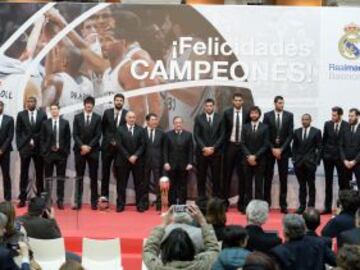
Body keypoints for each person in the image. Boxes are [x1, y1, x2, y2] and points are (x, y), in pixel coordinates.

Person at [143, 204, 220, 269]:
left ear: (167, 250)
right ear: (191, 248)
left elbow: (149, 249)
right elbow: (213, 249)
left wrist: (163, 224)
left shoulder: (159, 267)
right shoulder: (200, 266)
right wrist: (202, 221)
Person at [271, 214, 336, 270]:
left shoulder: (279, 252)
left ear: (285, 232)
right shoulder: (319, 243)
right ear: (304, 229)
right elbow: (336, 261)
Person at [263, 96, 294, 213]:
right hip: (270, 152)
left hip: (283, 152)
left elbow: (290, 135)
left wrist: (280, 149)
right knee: (268, 177)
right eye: (280, 103)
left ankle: (283, 205)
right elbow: (265, 134)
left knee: (283, 178)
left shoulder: (289, 115)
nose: (282, 105)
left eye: (283, 103)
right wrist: (272, 148)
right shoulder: (267, 115)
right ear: (275, 103)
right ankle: (266, 203)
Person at [16, 96, 47, 208]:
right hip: (25, 148)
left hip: (39, 149)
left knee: (39, 174)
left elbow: (45, 131)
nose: (30, 103)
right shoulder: (21, 115)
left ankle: (39, 199)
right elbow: (18, 132)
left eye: (32, 101)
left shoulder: (42, 114)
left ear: (36, 103)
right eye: (28, 101)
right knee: (24, 174)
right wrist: (20, 147)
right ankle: (22, 198)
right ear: (26, 103)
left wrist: (40, 143)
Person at [72, 96, 102, 210]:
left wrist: (89, 146)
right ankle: (77, 202)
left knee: (93, 177)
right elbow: (75, 134)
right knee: (79, 177)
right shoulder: (77, 117)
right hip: (79, 151)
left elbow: (98, 135)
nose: (89, 105)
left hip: (93, 151)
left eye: (91, 104)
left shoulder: (97, 118)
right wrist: (82, 146)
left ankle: (94, 202)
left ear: (93, 106)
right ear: (84, 105)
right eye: (87, 104)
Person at [222, 93, 249, 211]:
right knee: (226, 175)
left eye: (240, 100)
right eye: (236, 100)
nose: (238, 102)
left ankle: (241, 203)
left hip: (243, 147)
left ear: (242, 101)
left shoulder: (247, 113)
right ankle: (224, 202)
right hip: (230, 146)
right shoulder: (227, 113)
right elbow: (224, 131)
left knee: (242, 176)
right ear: (233, 101)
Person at [40, 103, 71, 210]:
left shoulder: (65, 123)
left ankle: (60, 200)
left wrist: (65, 152)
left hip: (61, 155)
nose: (54, 111)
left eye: (55, 109)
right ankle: (48, 200)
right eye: (52, 109)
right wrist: (45, 152)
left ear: (59, 110)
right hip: (48, 155)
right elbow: (42, 139)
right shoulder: (45, 123)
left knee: (60, 179)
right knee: (48, 179)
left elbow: (68, 139)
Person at [115, 111, 146, 212]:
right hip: (123, 160)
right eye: (130, 117)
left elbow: (143, 145)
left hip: (137, 161)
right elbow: (119, 145)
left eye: (133, 117)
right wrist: (128, 157)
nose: (132, 119)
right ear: (126, 118)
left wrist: (135, 156)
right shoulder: (120, 129)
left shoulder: (141, 130)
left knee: (139, 184)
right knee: (121, 184)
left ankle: (140, 205)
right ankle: (120, 205)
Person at [193, 98, 224, 199]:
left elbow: (222, 135)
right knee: (201, 177)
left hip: (216, 153)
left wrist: (213, 148)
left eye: (211, 106)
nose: (209, 107)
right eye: (207, 106)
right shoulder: (198, 118)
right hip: (202, 153)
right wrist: (204, 148)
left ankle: (216, 200)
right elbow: (196, 135)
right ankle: (201, 199)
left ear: (214, 107)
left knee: (216, 177)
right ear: (204, 107)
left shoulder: (220, 118)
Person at [292, 114, 322, 214]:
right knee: (302, 186)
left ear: (310, 120)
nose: (304, 121)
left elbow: (320, 147)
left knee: (311, 185)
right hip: (299, 163)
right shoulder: (296, 131)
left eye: (306, 119)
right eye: (303, 119)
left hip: (310, 163)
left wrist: (316, 162)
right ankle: (302, 206)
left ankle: (311, 206)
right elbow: (294, 147)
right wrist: (294, 160)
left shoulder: (316, 131)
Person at [100, 93, 127, 202]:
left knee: (120, 174)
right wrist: (109, 139)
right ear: (114, 101)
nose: (119, 102)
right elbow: (103, 128)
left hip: (120, 149)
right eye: (117, 100)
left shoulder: (126, 114)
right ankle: (104, 197)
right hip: (107, 148)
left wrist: (118, 142)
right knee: (105, 173)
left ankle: (120, 199)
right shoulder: (107, 113)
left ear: (123, 102)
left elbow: (126, 130)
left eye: (121, 100)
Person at [322, 106, 349, 214]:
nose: (332, 117)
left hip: (340, 158)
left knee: (342, 183)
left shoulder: (347, 125)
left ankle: (341, 207)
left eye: (335, 115)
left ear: (340, 115)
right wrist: (324, 154)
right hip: (328, 158)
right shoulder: (327, 124)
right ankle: (327, 207)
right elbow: (324, 140)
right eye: (332, 115)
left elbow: (346, 143)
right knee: (328, 183)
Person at [241, 106, 269, 207]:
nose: (254, 115)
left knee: (258, 185)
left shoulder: (265, 127)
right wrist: (249, 156)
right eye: (252, 113)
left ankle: (258, 207)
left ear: (259, 115)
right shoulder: (245, 127)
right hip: (247, 160)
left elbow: (266, 144)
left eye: (256, 113)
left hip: (260, 160)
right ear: (250, 115)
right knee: (247, 185)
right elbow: (242, 143)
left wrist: (255, 156)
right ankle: (247, 207)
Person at [163, 116, 193, 205]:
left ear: (182, 124)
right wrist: (166, 162)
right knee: (172, 185)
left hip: (184, 165)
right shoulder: (168, 135)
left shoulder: (188, 135)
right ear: (174, 124)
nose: (178, 124)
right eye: (176, 123)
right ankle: (172, 203)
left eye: (180, 122)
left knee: (183, 186)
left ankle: (182, 203)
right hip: (171, 165)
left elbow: (191, 150)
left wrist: (190, 162)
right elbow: (165, 150)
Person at [144, 113, 165, 211]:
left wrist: (165, 162)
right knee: (144, 183)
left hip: (158, 162)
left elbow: (164, 149)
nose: (155, 122)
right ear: (148, 121)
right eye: (152, 120)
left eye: (156, 120)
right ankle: (144, 203)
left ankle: (159, 204)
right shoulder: (141, 132)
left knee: (158, 183)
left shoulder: (161, 133)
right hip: (144, 162)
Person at [340, 108, 360, 190]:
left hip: (358, 163)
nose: (350, 118)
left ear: (358, 116)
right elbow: (340, 146)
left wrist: (354, 161)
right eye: (349, 116)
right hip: (346, 163)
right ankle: (346, 203)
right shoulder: (345, 128)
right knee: (345, 186)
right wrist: (344, 160)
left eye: (352, 116)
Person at [0, 101, 14, 201]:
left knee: (6, 175)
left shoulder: (9, 119)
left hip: (5, 152)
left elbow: (10, 136)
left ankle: (7, 198)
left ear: (3, 107)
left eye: (0, 105)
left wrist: (2, 149)